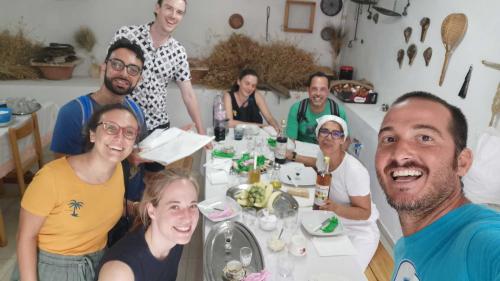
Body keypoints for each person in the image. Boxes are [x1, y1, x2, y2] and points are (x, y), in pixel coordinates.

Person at [375, 91, 500, 280]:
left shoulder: (480, 240)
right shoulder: (405, 247)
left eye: (425, 138)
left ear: (461, 162)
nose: (399, 154)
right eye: (389, 139)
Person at [14, 104, 140, 281]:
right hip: (53, 268)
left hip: (98, 261)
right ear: (93, 134)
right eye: (110, 128)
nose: (119, 137)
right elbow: (25, 236)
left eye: (129, 132)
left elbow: (106, 202)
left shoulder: (118, 168)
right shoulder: (51, 178)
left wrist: (137, 207)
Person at [50, 38, 148, 222]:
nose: (124, 73)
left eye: (133, 70)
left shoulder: (136, 111)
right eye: (117, 65)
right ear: (104, 66)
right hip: (91, 214)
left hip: (131, 210)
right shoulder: (74, 112)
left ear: (139, 78)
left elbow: (139, 156)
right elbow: (61, 172)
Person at [110, 0, 205, 137]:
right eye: (169, 8)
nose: (173, 15)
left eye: (179, 12)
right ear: (157, 8)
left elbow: (189, 95)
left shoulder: (178, 51)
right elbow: (107, 72)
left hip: (159, 128)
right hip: (124, 123)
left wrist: (201, 133)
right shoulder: (126, 35)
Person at [97, 169, 200, 281]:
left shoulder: (174, 239)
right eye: (174, 207)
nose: (187, 217)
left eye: (192, 206)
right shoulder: (119, 273)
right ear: (151, 211)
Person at [313, 115, 380, 270]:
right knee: (317, 263)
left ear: (343, 140)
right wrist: (295, 157)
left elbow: (365, 213)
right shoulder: (322, 157)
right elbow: (317, 165)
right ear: (317, 136)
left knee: (346, 273)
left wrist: (335, 208)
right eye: (324, 131)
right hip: (335, 221)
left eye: (336, 134)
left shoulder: (354, 170)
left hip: (361, 230)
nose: (329, 137)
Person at [286, 71, 347, 144]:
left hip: (327, 152)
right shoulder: (297, 109)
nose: (318, 93)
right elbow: (290, 140)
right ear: (308, 90)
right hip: (301, 151)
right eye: (314, 89)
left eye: (322, 89)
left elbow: (344, 141)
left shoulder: (338, 112)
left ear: (328, 91)